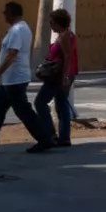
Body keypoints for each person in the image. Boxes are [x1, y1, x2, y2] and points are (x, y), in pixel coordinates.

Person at [0, 1, 52, 154]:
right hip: (9, 80)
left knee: (23, 111)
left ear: (12, 13)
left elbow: (11, 55)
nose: (4, 15)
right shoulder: (19, 28)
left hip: (14, 79)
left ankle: (44, 139)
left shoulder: (18, 30)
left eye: (5, 12)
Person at [33, 8, 80, 148]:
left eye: (52, 23)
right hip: (64, 75)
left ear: (59, 23)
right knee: (61, 103)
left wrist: (64, 77)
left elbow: (67, 56)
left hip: (58, 76)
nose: (51, 25)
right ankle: (64, 137)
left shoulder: (65, 36)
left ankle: (50, 133)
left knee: (40, 102)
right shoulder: (69, 34)